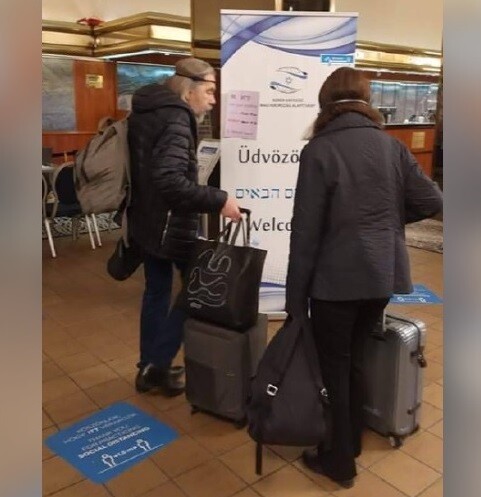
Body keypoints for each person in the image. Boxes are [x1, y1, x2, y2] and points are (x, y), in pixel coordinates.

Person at [285, 67, 443, 488]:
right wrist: (390, 222)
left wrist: (294, 299)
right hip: (381, 278)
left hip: (335, 281)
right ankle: (350, 440)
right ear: (367, 102)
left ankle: (339, 461)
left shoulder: (319, 150)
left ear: (325, 104)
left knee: (334, 367)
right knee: (354, 360)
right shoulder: (392, 147)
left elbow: (305, 231)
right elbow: (432, 199)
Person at [127, 57, 241, 397]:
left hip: (146, 221)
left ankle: (147, 366)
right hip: (169, 225)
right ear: (189, 90)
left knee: (157, 292)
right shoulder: (177, 119)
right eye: (209, 91)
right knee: (198, 287)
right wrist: (219, 200)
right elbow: (170, 180)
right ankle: (158, 364)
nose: (213, 100)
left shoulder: (147, 110)